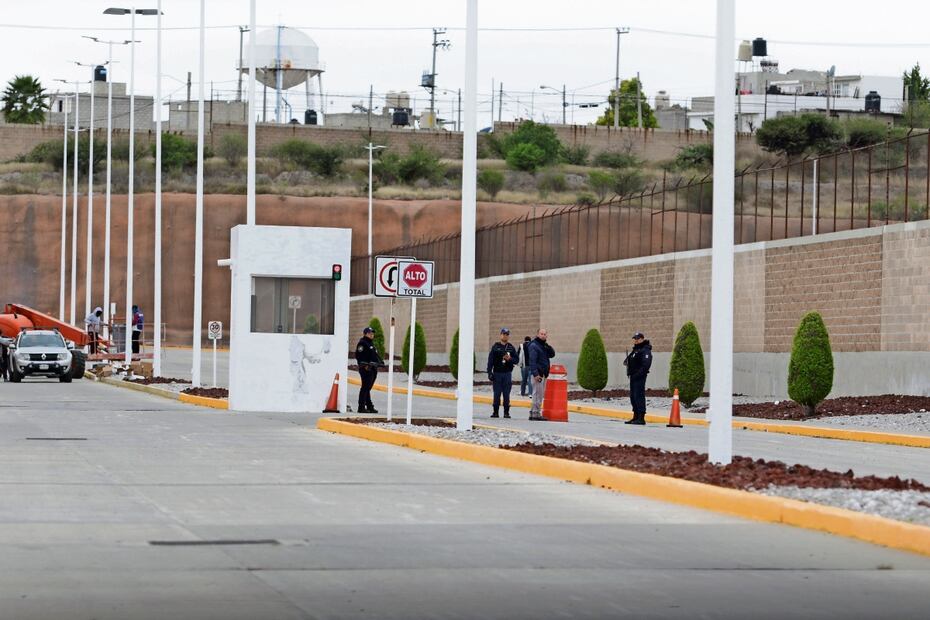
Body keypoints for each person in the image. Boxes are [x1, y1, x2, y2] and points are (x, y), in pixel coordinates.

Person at [487, 327, 519, 418]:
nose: (505, 336)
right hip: (497, 373)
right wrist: (489, 372)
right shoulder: (495, 347)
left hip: (507, 374)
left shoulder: (511, 347)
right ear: (500, 335)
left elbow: (516, 360)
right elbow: (490, 361)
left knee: (506, 394)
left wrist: (510, 359)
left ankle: (506, 412)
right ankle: (495, 412)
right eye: (503, 334)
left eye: (507, 334)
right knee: (497, 393)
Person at [623, 332, 653, 425]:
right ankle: (635, 416)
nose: (636, 340)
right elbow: (630, 360)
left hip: (639, 376)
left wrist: (638, 374)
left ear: (642, 339)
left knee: (639, 396)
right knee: (633, 396)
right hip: (633, 376)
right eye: (635, 339)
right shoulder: (636, 349)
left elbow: (646, 365)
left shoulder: (645, 350)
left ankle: (641, 418)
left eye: (638, 338)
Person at [527, 328, 556, 421]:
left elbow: (552, 354)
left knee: (539, 394)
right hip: (538, 374)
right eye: (541, 334)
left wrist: (547, 346)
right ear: (537, 334)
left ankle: (533, 413)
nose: (543, 335)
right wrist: (535, 374)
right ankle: (536, 413)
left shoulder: (543, 345)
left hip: (543, 373)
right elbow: (532, 361)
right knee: (537, 394)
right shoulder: (534, 345)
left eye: (544, 334)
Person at [355, 326, 384, 413]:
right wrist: (365, 365)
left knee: (367, 388)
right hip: (366, 368)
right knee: (365, 388)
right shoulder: (362, 343)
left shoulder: (371, 343)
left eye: (372, 333)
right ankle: (361, 407)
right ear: (365, 334)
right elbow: (359, 356)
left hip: (373, 368)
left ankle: (369, 406)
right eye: (369, 333)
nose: (371, 335)